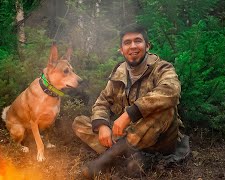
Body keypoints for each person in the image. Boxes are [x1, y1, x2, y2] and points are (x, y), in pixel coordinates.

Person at [72, 25, 190, 178]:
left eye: (138, 41)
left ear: (147, 46)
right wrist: (102, 126)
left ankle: (105, 161)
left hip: (158, 139)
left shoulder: (162, 68)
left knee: (165, 110)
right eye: (127, 42)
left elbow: (171, 92)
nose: (133, 46)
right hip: (128, 136)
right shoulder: (119, 73)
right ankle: (131, 156)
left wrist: (128, 114)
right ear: (121, 49)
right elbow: (102, 102)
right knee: (80, 122)